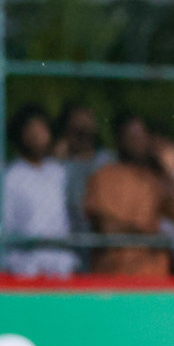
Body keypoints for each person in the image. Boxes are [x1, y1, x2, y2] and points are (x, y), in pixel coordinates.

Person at [84, 113, 174, 277]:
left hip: (155, 275)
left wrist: (167, 171)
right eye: (131, 136)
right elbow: (106, 228)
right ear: (118, 139)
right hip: (114, 274)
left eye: (141, 136)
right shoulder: (103, 176)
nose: (137, 141)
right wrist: (147, 236)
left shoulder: (155, 178)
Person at [1, 103, 77, 278]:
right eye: (31, 130)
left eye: (42, 129)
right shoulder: (10, 176)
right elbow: (5, 225)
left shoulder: (58, 172)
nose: (38, 136)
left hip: (60, 266)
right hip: (25, 268)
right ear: (20, 135)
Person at [55, 102, 112, 244]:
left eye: (86, 130)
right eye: (77, 131)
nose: (83, 136)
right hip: (73, 238)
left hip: (104, 238)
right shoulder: (60, 167)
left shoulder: (108, 160)